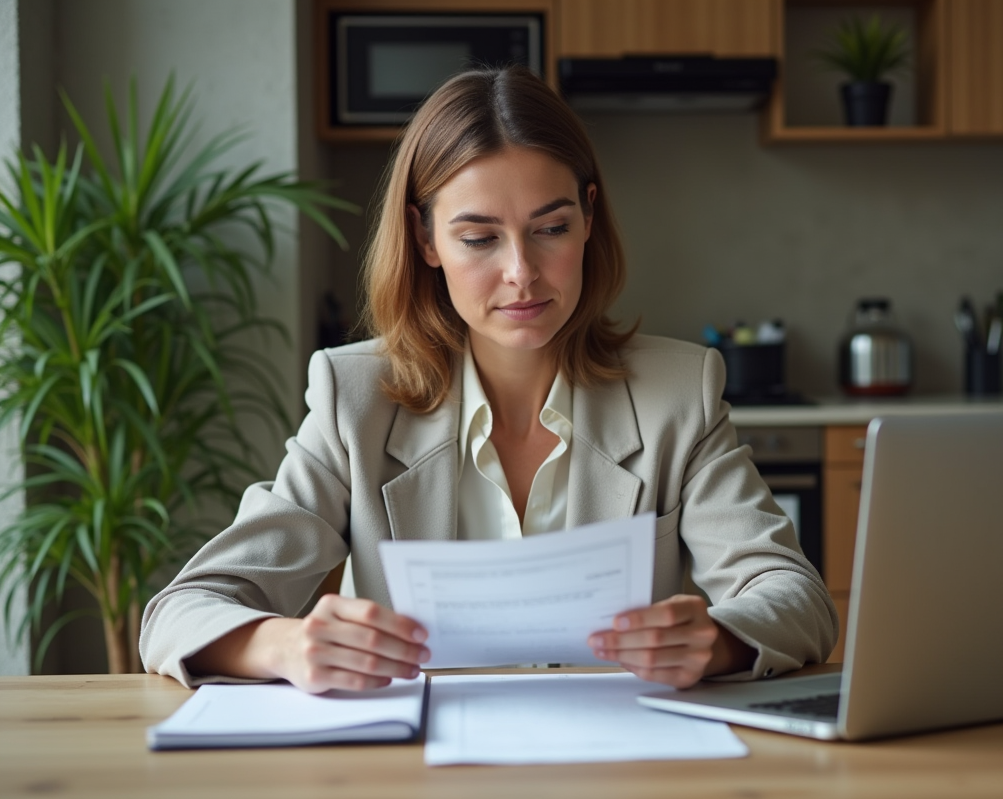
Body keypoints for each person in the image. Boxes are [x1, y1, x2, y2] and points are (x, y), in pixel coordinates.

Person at [140, 66, 837, 692]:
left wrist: (716, 642)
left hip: (619, 766)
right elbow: (179, 611)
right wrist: (286, 644)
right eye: (479, 238)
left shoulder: (677, 391)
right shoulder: (354, 401)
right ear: (425, 239)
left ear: (589, 218)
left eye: (551, 228)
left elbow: (795, 596)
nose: (521, 273)